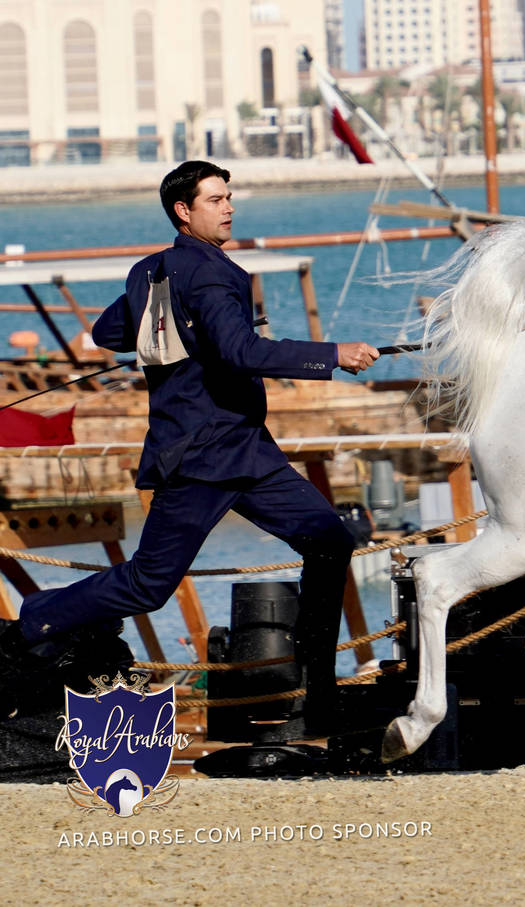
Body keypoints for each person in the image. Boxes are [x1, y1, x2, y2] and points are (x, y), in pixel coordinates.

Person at [0, 161, 381, 733]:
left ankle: (318, 690)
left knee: (329, 539)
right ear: (184, 210)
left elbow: (109, 333)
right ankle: (35, 619)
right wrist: (332, 354)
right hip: (201, 455)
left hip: (246, 450)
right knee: (148, 583)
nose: (228, 208)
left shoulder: (153, 271)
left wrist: (171, 324)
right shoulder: (210, 274)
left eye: (230, 198)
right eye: (216, 200)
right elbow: (241, 352)